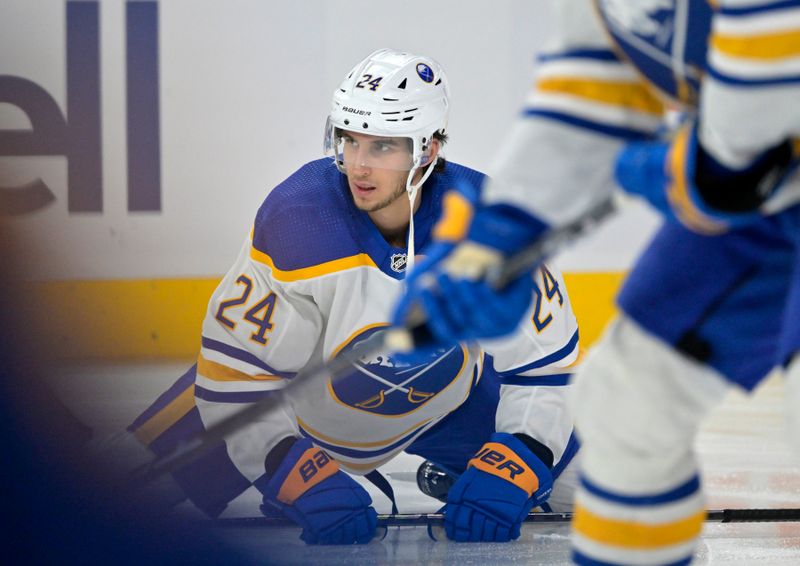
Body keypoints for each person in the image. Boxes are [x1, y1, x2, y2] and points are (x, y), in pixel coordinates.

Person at [391, 2, 800, 564]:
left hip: (759, 185)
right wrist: (504, 228)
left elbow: (768, 90)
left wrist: (715, 166)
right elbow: (595, 84)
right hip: (764, 202)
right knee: (628, 407)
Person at [125, 48, 582, 545]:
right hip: (292, 406)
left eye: (383, 146)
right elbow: (238, 378)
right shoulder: (298, 218)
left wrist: (516, 459)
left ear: (427, 150)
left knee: (595, 490)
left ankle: (460, 469)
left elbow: (545, 364)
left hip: (446, 403)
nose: (358, 166)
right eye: (349, 140)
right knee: (109, 493)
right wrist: (290, 467)